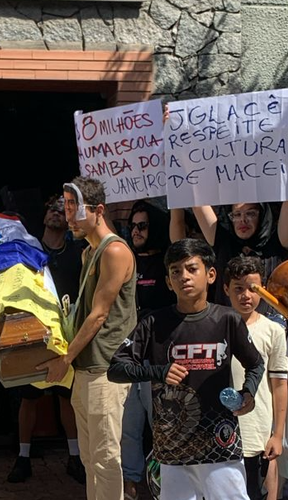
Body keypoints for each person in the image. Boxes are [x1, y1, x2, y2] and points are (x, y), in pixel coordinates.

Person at [108, 238, 265, 500]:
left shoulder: (227, 319)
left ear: (211, 274)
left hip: (220, 444)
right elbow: (116, 368)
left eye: (192, 269)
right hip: (172, 449)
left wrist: (248, 394)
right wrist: (158, 372)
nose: (184, 277)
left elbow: (256, 364)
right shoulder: (153, 323)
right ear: (168, 282)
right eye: (175, 271)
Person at [37, 177, 136, 500]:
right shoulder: (88, 253)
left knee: (106, 457)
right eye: (65, 208)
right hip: (85, 368)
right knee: (90, 457)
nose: (68, 217)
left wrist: (64, 359)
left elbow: (99, 314)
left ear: (98, 211)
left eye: (74, 208)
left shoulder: (115, 250)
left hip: (105, 367)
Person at [177, 90, 288, 306]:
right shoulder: (223, 242)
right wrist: (179, 141)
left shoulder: (279, 242)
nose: (243, 220)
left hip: (267, 331)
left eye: (250, 213)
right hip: (229, 330)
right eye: (237, 214)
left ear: (262, 215)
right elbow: (198, 199)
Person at [7, 195, 84, 484]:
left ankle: (74, 457)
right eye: (51, 209)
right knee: (29, 397)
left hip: (67, 334)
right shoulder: (26, 249)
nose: (56, 214)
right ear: (43, 217)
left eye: (62, 211)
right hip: (32, 331)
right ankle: (23, 458)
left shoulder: (78, 253)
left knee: (67, 397)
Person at [122, 200, 176, 499]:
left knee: (161, 424)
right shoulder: (127, 261)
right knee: (128, 425)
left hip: (158, 358)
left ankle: (162, 482)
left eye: (142, 225)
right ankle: (130, 482)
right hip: (129, 357)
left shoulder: (169, 264)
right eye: (132, 226)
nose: (136, 231)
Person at [224, 256, 288, 500]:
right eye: (238, 289)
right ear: (225, 289)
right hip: (221, 433)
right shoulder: (216, 325)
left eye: (253, 289)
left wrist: (277, 435)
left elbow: (280, 384)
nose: (245, 296)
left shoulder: (273, 330)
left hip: (258, 433)